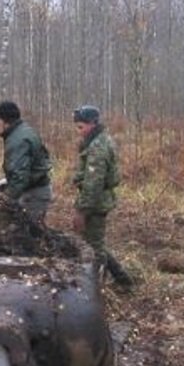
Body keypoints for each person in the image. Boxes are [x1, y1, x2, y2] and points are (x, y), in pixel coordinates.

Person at [71, 105, 134, 290]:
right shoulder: (98, 140)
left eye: (81, 127)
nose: (79, 132)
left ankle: (95, 289)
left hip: (95, 204)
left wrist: (82, 211)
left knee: (94, 248)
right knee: (94, 241)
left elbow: (93, 184)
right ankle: (122, 278)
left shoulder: (98, 147)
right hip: (97, 201)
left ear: (92, 124)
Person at [0, 100, 53, 223]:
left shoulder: (17, 140)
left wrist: (6, 200)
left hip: (33, 195)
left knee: (25, 235)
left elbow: (20, 177)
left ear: (3, 120)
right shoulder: (25, 131)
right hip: (37, 190)